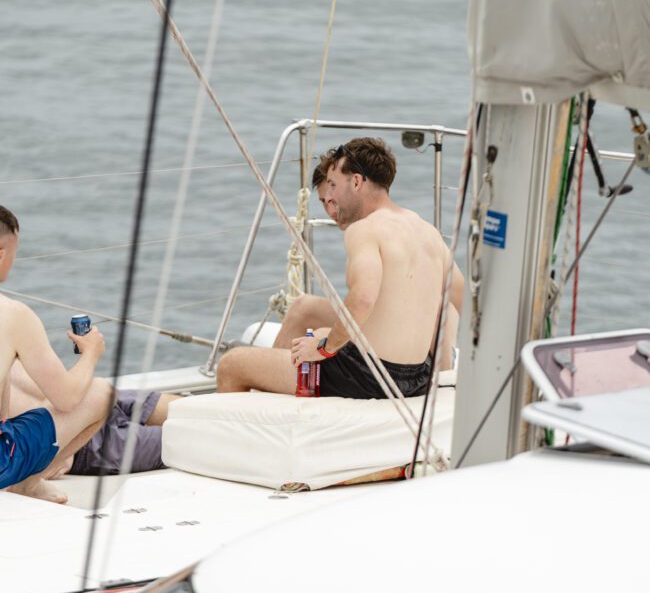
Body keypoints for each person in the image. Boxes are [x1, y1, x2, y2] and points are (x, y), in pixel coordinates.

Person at [217, 137, 464, 398]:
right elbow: (458, 299)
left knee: (232, 365)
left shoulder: (365, 229)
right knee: (312, 318)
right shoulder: (429, 232)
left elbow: (363, 299)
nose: (330, 197)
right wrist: (441, 367)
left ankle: (262, 419)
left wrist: (324, 349)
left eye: (333, 185)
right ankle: (279, 389)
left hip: (368, 377)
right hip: (417, 377)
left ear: (356, 182)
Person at [0, 205, 112, 503]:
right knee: (101, 393)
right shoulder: (12, 314)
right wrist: (90, 353)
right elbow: (67, 398)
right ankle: (29, 483)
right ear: (1, 253)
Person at [9, 360, 181, 476]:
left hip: (92, 397)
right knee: (191, 440)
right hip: (82, 442)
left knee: (193, 408)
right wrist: (91, 353)